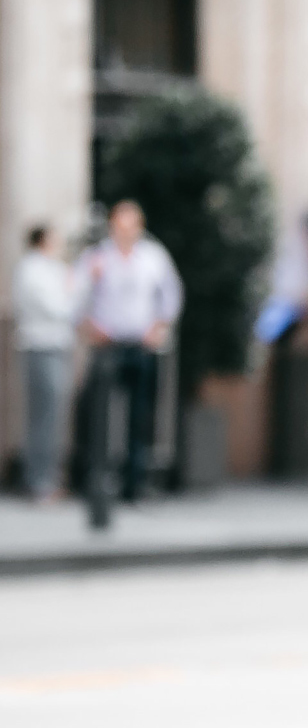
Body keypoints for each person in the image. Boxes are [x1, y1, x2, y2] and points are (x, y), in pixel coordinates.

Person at [76, 200, 183, 503]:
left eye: (131, 225)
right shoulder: (97, 257)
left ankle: (133, 485)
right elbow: (76, 293)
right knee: (99, 417)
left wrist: (159, 327)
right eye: (120, 225)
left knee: (140, 417)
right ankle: (95, 484)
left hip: (140, 346)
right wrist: (88, 326)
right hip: (107, 346)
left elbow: (172, 294)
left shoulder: (152, 256)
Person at [11, 224, 76, 502]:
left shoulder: (53, 269)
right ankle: (40, 482)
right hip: (42, 347)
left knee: (50, 417)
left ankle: (45, 479)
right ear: (43, 240)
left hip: (55, 347)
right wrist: (73, 292)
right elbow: (60, 308)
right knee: (45, 417)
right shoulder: (32, 270)